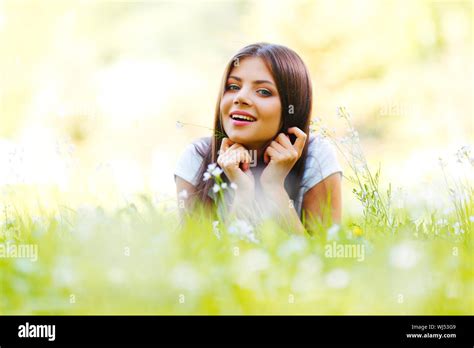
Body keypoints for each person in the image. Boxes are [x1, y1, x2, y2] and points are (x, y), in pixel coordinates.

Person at [174, 43, 342, 235]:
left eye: (263, 91)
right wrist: (242, 194)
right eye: (233, 86)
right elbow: (199, 259)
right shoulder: (197, 157)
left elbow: (323, 258)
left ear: (291, 106)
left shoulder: (316, 156)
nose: (240, 97)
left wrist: (274, 186)